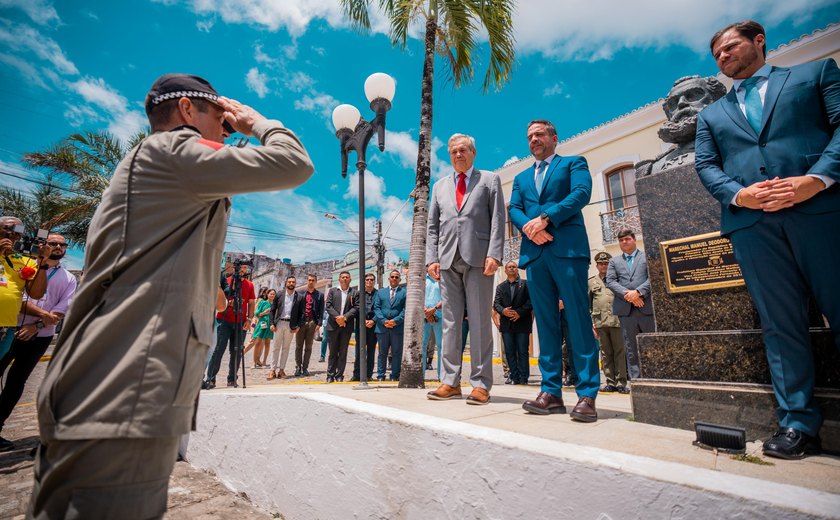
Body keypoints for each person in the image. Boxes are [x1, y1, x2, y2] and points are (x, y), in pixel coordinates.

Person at [31, 73, 314, 518]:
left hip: (120, 385)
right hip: (124, 389)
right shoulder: (174, 150)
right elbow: (293, 163)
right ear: (187, 110)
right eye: (221, 116)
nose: (228, 126)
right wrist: (258, 122)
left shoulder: (165, 174)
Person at [695, 20, 840, 460]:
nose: (723, 57)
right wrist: (739, 194)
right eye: (717, 53)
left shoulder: (813, 75)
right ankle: (797, 423)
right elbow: (706, 165)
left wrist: (816, 179)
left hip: (819, 212)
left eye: (731, 47)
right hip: (753, 226)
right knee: (780, 324)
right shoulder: (711, 114)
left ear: (759, 41)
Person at [509, 119, 600, 422]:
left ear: (553, 138)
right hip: (535, 255)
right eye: (529, 136)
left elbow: (581, 194)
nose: (533, 139)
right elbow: (514, 209)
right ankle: (550, 392)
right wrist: (529, 228)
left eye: (538, 134)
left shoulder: (573, 163)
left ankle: (587, 394)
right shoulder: (521, 178)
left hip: (568, 250)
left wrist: (546, 219)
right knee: (545, 323)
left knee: (577, 319)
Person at [426, 133, 505, 405]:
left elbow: (498, 218)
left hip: (479, 259)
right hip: (447, 260)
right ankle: (450, 382)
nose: (458, 155)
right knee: (450, 322)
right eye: (454, 151)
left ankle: (481, 384)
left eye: (463, 150)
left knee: (481, 321)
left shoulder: (489, 180)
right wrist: (431, 258)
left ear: (473, 153)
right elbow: (432, 226)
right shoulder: (439, 187)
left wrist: (495, 253)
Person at [0, 233, 74, 452]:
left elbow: (61, 311)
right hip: (12, 330)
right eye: (53, 244)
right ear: (43, 246)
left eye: (62, 245)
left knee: (16, 383)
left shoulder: (69, 279)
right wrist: (43, 314)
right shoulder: (23, 265)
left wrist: (36, 326)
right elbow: (17, 298)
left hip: (39, 337)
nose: (58, 247)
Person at [637, 75, 727, 176]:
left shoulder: (744, 142)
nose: (681, 103)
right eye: (673, 103)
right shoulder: (649, 170)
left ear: (718, 99)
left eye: (693, 95)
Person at [0, 216, 52, 360]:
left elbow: (36, 293)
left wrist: (42, 263)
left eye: (18, 232)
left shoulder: (24, 260)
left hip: (6, 328)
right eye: (9, 229)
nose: (13, 235)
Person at [605, 229, 654, 382]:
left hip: (646, 309)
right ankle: (636, 381)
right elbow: (610, 281)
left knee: (652, 344)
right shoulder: (614, 261)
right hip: (627, 312)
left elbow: (654, 275)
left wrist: (639, 292)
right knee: (631, 348)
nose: (624, 242)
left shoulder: (646, 257)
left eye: (627, 239)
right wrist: (630, 295)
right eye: (621, 240)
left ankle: (655, 377)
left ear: (634, 239)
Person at [205, 262, 256, 388]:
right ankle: (211, 378)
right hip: (224, 320)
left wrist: (249, 319)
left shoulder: (249, 285)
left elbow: (251, 303)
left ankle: (232, 379)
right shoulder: (226, 280)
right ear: (234, 268)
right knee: (218, 350)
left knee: (237, 351)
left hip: (241, 322)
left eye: (244, 267)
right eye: (240, 267)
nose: (242, 269)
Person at [589, 252, 628, 394]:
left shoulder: (618, 279)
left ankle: (621, 383)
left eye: (606, 263)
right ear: (597, 265)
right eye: (601, 264)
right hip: (600, 322)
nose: (603, 266)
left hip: (617, 320)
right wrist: (592, 324)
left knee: (619, 352)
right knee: (605, 353)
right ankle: (610, 382)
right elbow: (589, 305)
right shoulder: (591, 282)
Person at [493, 261, 533, 385]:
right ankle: (513, 376)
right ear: (505, 270)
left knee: (522, 351)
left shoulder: (526, 284)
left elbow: (531, 301)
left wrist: (519, 312)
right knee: (509, 351)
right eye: (509, 267)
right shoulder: (500, 287)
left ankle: (523, 376)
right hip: (507, 324)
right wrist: (503, 311)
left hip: (522, 322)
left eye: (514, 267)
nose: (512, 268)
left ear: (517, 270)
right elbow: (496, 304)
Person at [325, 271, 359, 382]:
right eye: (343, 277)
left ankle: (339, 375)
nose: (345, 279)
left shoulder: (354, 292)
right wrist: (338, 318)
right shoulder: (333, 291)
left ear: (350, 279)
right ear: (339, 279)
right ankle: (330, 375)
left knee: (343, 352)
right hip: (333, 326)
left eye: (347, 277)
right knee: (332, 352)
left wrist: (344, 318)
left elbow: (356, 308)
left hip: (346, 326)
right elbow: (328, 306)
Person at [373, 270, 406, 381]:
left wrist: (395, 321)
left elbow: (405, 309)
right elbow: (376, 308)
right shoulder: (380, 292)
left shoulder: (404, 292)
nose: (394, 279)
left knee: (397, 353)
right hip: (382, 328)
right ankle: (381, 375)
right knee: (382, 353)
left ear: (399, 279)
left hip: (397, 328)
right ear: (389, 278)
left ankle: (395, 375)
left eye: (396, 277)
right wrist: (384, 321)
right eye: (392, 277)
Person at [268, 276, 301, 380]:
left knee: (286, 348)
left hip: (291, 325)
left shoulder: (299, 297)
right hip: (279, 323)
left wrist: (298, 326)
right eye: (289, 282)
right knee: (275, 348)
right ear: (286, 283)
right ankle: (272, 370)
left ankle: (281, 370)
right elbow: (272, 310)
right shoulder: (279, 295)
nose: (291, 283)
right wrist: (272, 323)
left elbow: (302, 314)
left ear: (295, 284)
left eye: (293, 282)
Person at [294, 274, 323, 377]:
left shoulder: (320, 295)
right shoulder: (300, 294)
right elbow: (296, 309)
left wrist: (319, 323)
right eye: (309, 280)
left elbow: (321, 309)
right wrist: (295, 323)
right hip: (301, 323)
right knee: (298, 346)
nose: (311, 282)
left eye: (313, 280)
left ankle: (305, 367)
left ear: (315, 282)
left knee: (308, 347)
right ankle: (298, 367)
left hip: (312, 323)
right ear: (307, 281)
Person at [352, 273, 378, 382]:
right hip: (361, 327)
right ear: (364, 281)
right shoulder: (358, 294)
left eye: (371, 280)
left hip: (373, 326)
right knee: (359, 351)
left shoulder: (378, 294)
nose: (369, 281)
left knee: (371, 352)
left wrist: (373, 320)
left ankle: (368, 374)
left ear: (374, 281)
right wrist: (363, 321)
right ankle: (357, 374)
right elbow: (356, 309)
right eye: (367, 279)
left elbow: (380, 309)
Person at [422, 273, 443, 379]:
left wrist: (433, 310)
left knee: (441, 346)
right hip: (424, 316)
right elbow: (418, 295)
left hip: (440, 316)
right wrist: (427, 312)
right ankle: (420, 375)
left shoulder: (443, 279)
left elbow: (447, 297)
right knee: (422, 345)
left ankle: (441, 376)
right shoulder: (423, 279)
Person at [250, 288, 275, 367]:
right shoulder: (263, 302)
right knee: (258, 342)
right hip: (262, 323)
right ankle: (254, 362)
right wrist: (264, 312)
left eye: (273, 294)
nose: (272, 295)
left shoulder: (275, 304)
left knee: (267, 343)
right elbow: (256, 314)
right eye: (271, 294)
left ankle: (264, 361)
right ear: (267, 294)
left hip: (270, 325)